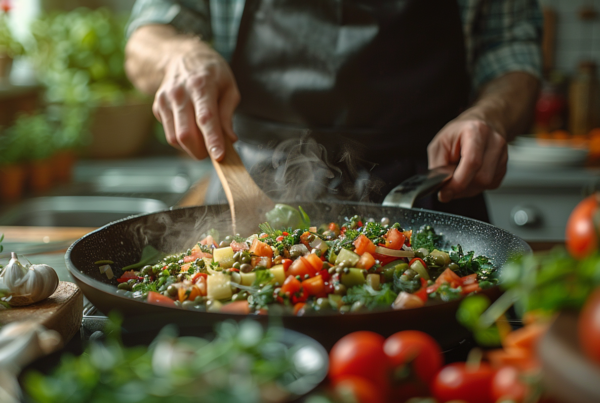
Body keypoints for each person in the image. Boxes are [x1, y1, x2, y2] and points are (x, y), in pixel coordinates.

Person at [124, 0, 542, 222]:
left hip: (431, 188)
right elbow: (147, 34)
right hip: (252, 179)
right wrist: (179, 54)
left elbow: (511, 51)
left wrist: (489, 114)